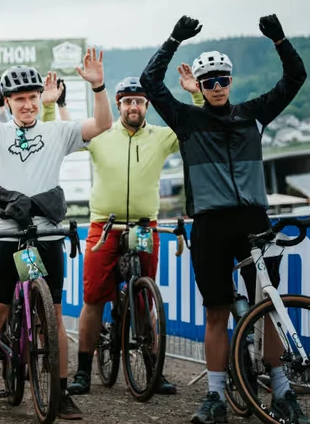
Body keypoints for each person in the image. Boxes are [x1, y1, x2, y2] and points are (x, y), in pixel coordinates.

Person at [140, 14, 309, 424]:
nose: (216, 86)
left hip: (254, 222)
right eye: (208, 81)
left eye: (222, 80)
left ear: (231, 82)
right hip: (210, 225)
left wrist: (280, 40)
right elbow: (150, 82)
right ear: (199, 86)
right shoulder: (186, 119)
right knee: (216, 313)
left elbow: (295, 77)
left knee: (268, 307)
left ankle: (281, 391)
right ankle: (215, 396)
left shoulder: (253, 113)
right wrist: (174, 39)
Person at [0, 48, 113, 420]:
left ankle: (61, 392)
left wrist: (99, 87)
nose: (27, 105)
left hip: (46, 236)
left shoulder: (58, 131)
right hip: (7, 236)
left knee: (52, 316)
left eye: (32, 97)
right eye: (19, 99)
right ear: (7, 102)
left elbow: (103, 124)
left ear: (41, 98)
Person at [62, 74, 204, 396]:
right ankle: (83, 371)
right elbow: (71, 132)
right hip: (105, 226)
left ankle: (153, 369)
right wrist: (56, 105)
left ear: (147, 105)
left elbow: (193, 126)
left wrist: (196, 96)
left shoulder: (160, 136)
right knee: (93, 299)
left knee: (143, 297)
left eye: (139, 101)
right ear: (119, 105)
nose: (133, 107)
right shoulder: (102, 134)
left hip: (144, 226)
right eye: (128, 102)